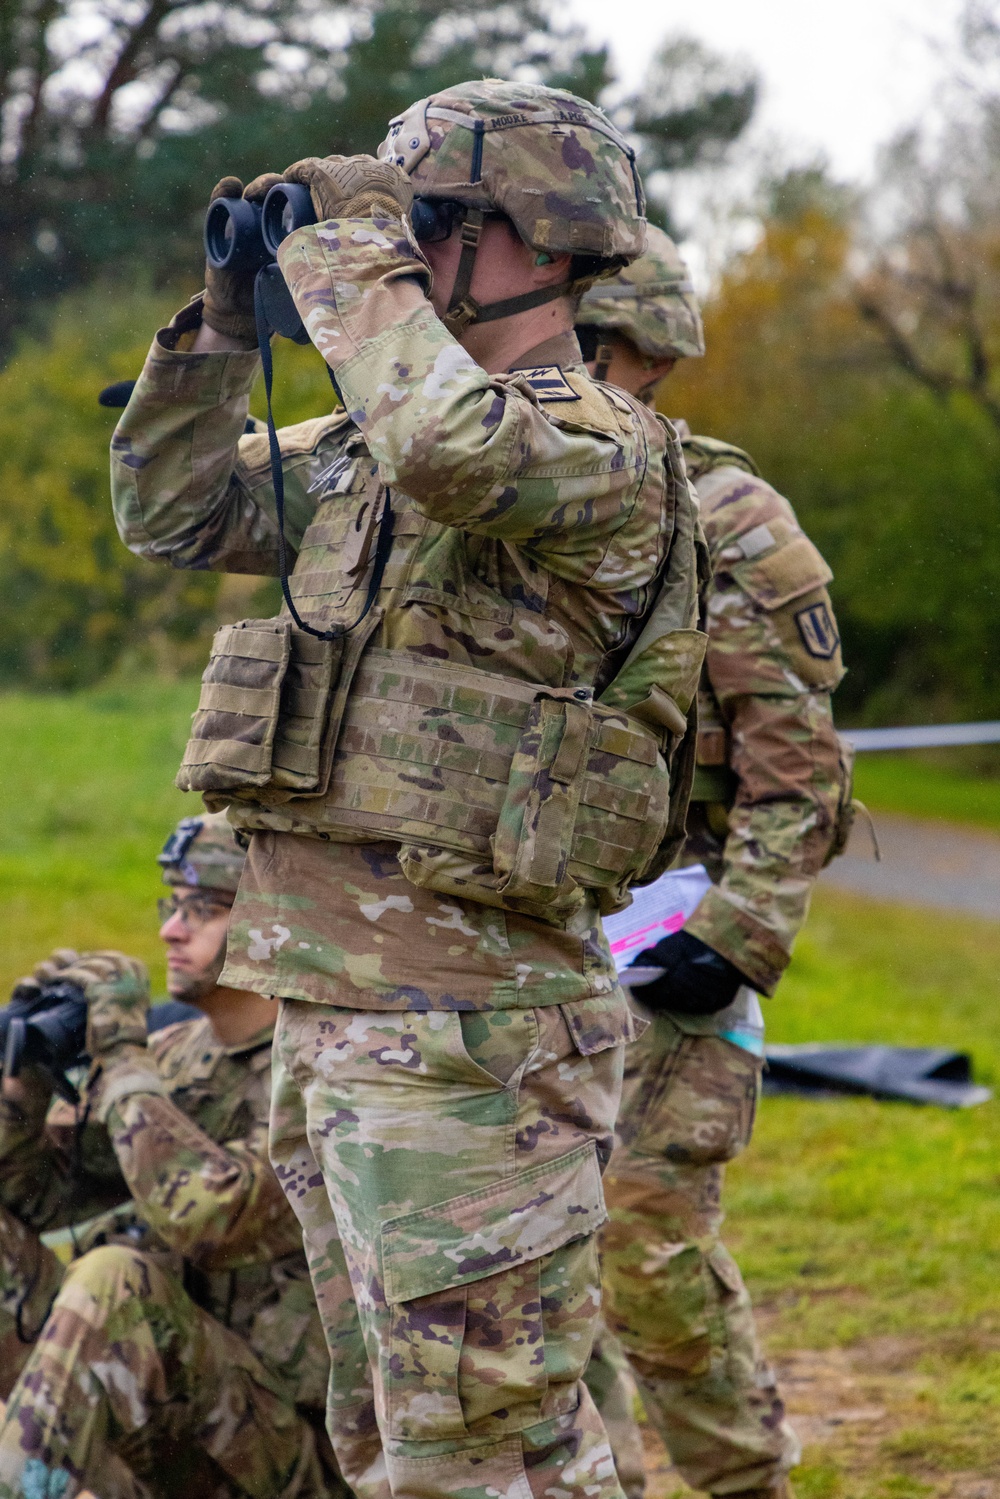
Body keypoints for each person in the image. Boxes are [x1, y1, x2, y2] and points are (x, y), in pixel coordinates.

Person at [109, 79, 704, 1499]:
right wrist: (231, 313)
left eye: (432, 222)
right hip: (333, 1010)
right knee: (386, 1438)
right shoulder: (371, 456)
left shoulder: (594, 442)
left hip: (470, 1033)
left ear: (547, 245)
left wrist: (353, 252)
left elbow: (454, 448)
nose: (404, 250)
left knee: (488, 1457)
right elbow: (169, 505)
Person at [573, 226, 850, 1499]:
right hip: (521, 945)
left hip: (671, 949)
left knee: (647, 1259)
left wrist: (735, 935)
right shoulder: (506, 498)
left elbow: (800, 768)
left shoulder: (719, 509)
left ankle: (744, 1483)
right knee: (525, 1275)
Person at [0, 813, 346, 1499]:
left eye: (206, 909)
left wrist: (124, 1053)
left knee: (114, 1277)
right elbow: (32, 1197)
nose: (170, 930)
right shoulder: (178, 1058)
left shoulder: (327, 1078)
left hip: (284, 1455)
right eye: (173, 905)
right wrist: (29, 1072)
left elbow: (207, 1217)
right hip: (170, 1419)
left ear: (272, 926)